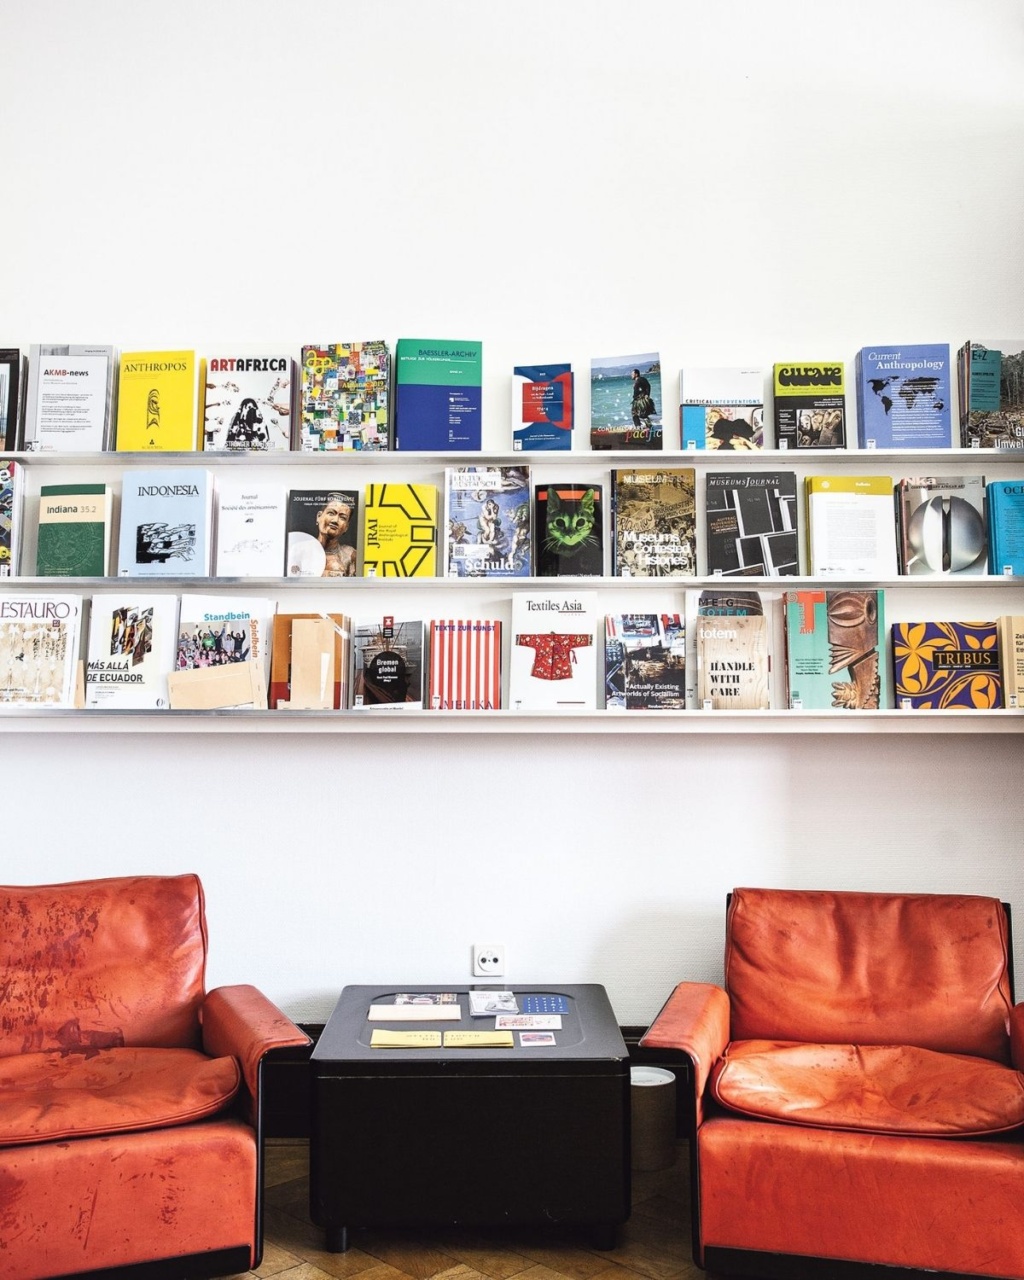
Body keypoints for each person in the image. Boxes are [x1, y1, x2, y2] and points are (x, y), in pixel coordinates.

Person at [316, 494, 356, 576]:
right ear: (319, 516)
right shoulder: (300, 549)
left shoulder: (350, 555)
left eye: (342, 518)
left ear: (346, 527)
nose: (335, 520)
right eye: (331, 513)